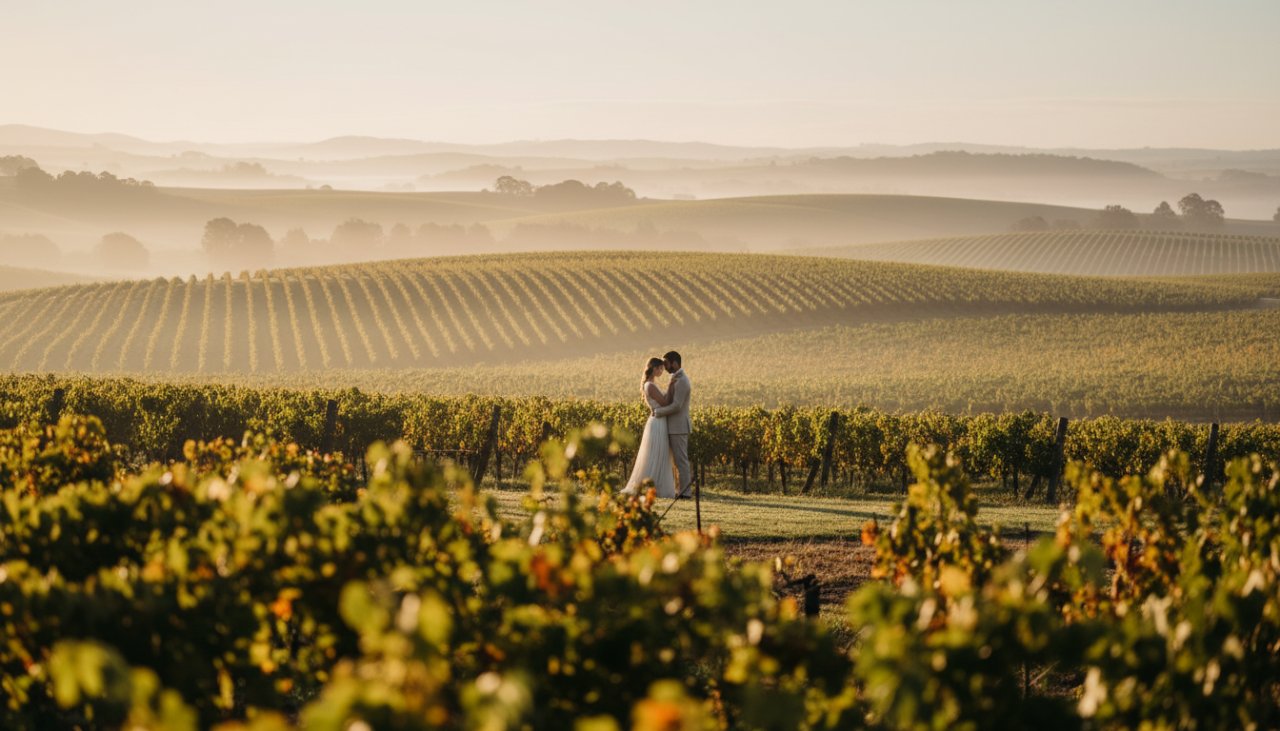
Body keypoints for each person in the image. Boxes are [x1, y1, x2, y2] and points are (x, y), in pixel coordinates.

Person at [621, 357, 678, 498]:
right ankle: (653, 486)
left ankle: (655, 485)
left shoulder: (650, 384)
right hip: (658, 422)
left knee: (659, 454)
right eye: (660, 369)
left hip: (659, 420)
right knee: (657, 453)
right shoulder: (650, 386)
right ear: (654, 368)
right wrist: (671, 386)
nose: (661, 371)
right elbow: (664, 402)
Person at [652, 350, 692, 498]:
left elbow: (676, 406)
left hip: (679, 427)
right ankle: (679, 490)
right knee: (676, 462)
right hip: (673, 426)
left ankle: (686, 492)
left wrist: (658, 412)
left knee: (681, 461)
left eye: (666, 363)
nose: (665, 366)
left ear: (675, 363)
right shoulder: (676, 378)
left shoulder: (682, 381)